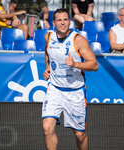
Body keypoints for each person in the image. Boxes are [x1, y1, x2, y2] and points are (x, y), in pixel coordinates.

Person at [42, 8, 98, 150]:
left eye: (65, 19)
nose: (63, 23)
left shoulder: (78, 40)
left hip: (75, 91)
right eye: (59, 20)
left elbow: (94, 64)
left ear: (70, 21)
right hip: (55, 89)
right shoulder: (48, 37)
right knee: (47, 128)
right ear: (54, 23)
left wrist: (75, 64)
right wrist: (47, 68)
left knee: (79, 134)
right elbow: (47, 51)